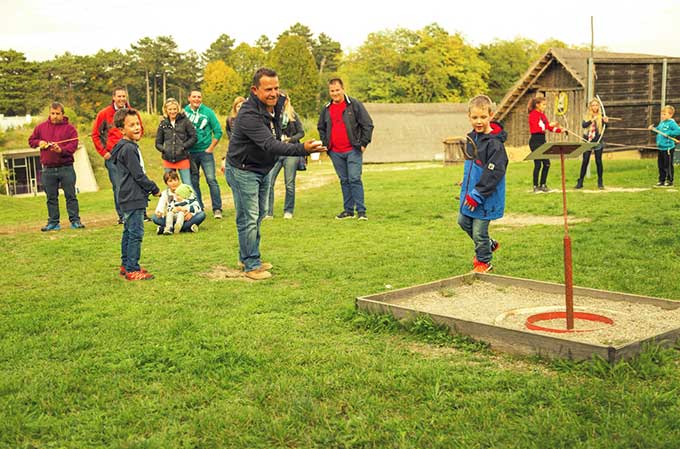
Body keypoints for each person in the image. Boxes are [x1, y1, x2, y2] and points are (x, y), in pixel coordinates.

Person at [226, 67, 326, 280]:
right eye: (268, 89)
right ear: (255, 90)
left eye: (276, 88)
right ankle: (251, 265)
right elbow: (270, 144)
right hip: (243, 170)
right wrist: (303, 149)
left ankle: (248, 257)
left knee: (259, 214)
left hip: (261, 168)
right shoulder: (248, 115)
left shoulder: (277, 103)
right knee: (249, 217)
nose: (273, 93)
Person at [458, 95, 508, 273]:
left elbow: (493, 173)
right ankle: (489, 244)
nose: (479, 121)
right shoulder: (472, 139)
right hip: (470, 192)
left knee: (479, 231)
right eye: (475, 117)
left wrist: (476, 195)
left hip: (485, 197)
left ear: (491, 116)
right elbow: (473, 166)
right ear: (469, 116)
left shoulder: (495, 144)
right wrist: (466, 181)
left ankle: (484, 262)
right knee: (463, 221)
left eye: (483, 117)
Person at [109, 108, 160, 281]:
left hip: (127, 196)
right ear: (122, 130)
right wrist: (154, 188)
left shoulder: (124, 147)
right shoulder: (128, 149)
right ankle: (132, 269)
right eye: (132, 125)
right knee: (135, 233)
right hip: (132, 196)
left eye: (138, 123)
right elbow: (138, 175)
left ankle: (126, 264)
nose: (137, 127)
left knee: (128, 231)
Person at [317, 77, 374, 220]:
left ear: (343, 89)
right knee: (344, 180)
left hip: (353, 149)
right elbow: (321, 127)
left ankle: (361, 212)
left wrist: (363, 143)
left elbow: (367, 124)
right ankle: (348, 211)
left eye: (337, 90)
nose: (335, 93)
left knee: (354, 178)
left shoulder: (354, 105)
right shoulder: (326, 108)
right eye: (332, 91)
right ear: (329, 92)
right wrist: (326, 145)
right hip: (335, 151)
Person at [92, 87, 146, 224]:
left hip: (131, 151)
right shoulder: (104, 113)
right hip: (114, 156)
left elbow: (140, 128)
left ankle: (142, 213)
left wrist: (135, 139)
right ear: (113, 97)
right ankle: (123, 216)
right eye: (119, 96)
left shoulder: (132, 112)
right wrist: (103, 152)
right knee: (119, 185)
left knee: (138, 180)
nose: (122, 99)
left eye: (124, 96)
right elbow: (95, 134)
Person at [28, 102, 85, 231]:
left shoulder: (70, 129)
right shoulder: (41, 128)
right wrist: (39, 142)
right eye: (52, 113)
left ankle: (75, 220)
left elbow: (73, 146)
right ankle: (53, 222)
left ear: (62, 114)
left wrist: (61, 150)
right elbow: (31, 141)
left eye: (57, 114)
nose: (54, 116)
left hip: (66, 168)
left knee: (70, 196)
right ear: (49, 113)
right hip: (48, 169)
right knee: (51, 197)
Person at [184, 89, 223, 219]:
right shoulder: (184, 112)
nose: (196, 99)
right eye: (194, 97)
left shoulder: (208, 112)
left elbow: (218, 131)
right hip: (190, 152)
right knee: (193, 181)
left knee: (211, 180)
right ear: (189, 98)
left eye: (199, 97)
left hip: (205, 152)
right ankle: (199, 208)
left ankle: (217, 209)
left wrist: (211, 148)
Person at [265, 94, 305, 219]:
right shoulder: (271, 115)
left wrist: (290, 140)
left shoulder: (293, 115)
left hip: (290, 152)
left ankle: (288, 211)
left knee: (289, 183)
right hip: (275, 152)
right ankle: (268, 212)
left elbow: (301, 133)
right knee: (269, 182)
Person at [155, 98, 196, 185]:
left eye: (174, 109)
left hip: (182, 158)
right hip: (168, 159)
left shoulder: (185, 121)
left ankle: (191, 199)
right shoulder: (163, 124)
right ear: (166, 110)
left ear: (178, 109)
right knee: (170, 186)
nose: (172, 111)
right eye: (170, 109)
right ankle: (172, 199)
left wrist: (183, 146)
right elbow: (158, 143)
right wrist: (164, 150)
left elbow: (194, 137)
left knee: (187, 185)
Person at [527, 96, 561, 192]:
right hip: (535, 141)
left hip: (542, 141)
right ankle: (535, 186)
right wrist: (548, 125)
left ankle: (543, 184)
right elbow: (536, 129)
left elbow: (548, 128)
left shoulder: (543, 115)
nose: (545, 106)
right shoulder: (533, 115)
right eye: (543, 104)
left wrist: (559, 130)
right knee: (538, 164)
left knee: (546, 163)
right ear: (537, 105)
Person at [575, 98, 609, 190]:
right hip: (587, 141)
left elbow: (606, 127)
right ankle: (580, 181)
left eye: (596, 105)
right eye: (593, 105)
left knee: (598, 161)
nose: (595, 107)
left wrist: (606, 121)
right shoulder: (586, 116)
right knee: (585, 161)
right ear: (590, 107)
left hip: (598, 141)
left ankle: (600, 181)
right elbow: (584, 125)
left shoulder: (601, 116)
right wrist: (592, 120)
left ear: (598, 106)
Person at [649, 105, 680, 187]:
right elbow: (658, 130)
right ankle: (661, 180)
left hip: (668, 148)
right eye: (662, 114)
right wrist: (653, 129)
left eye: (664, 114)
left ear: (670, 115)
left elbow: (678, 131)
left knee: (668, 165)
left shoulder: (672, 123)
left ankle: (669, 181)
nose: (662, 116)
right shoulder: (662, 123)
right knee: (661, 165)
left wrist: (669, 133)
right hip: (661, 148)